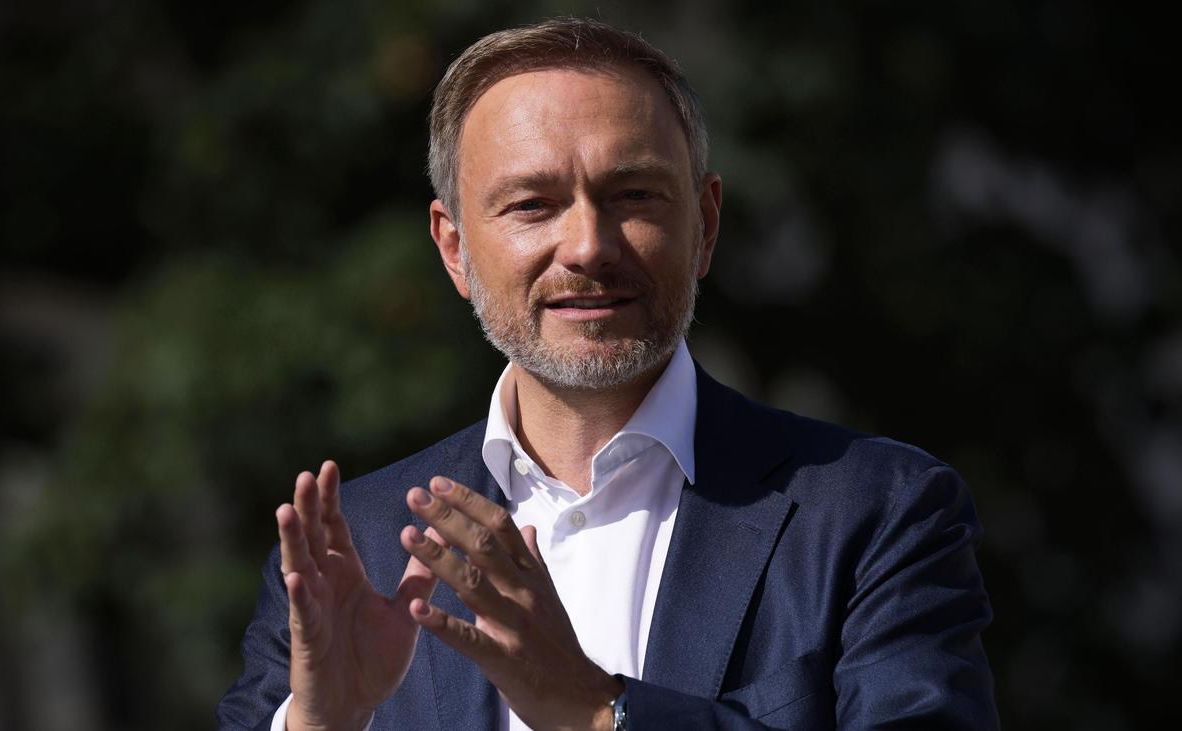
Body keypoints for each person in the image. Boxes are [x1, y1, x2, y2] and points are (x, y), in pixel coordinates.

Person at [218, 17, 998, 731]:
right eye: (533, 204)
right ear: (454, 248)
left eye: (632, 195)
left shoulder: (874, 512)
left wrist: (599, 712)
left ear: (705, 226)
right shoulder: (352, 550)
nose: (589, 244)